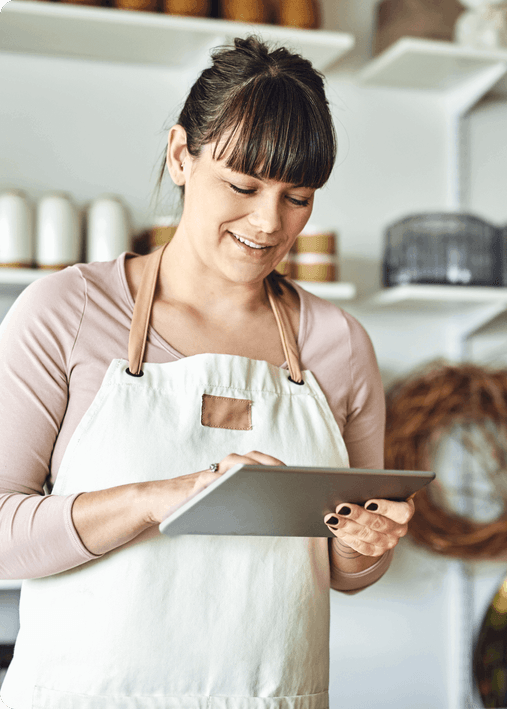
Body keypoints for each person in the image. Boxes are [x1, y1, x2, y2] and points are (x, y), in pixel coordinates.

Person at [0, 35, 414, 708]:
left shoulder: (337, 345)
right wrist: (158, 498)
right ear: (178, 156)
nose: (268, 222)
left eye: (298, 196)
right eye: (242, 185)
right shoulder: (68, 312)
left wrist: (366, 546)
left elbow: (344, 570)